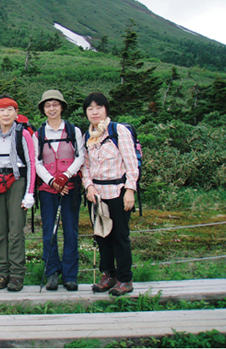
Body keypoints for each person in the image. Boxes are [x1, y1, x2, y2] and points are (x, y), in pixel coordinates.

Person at [82, 92, 138, 296]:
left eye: (98, 107)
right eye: (90, 108)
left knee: (119, 236)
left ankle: (125, 279)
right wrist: (88, 186)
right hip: (97, 194)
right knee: (101, 236)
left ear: (106, 109)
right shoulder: (87, 135)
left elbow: (131, 162)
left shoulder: (118, 131)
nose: (94, 112)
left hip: (118, 191)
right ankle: (108, 275)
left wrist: (130, 189)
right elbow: (85, 166)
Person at [0, 94, 36, 292]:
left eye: (10, 109)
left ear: (16, 113)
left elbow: (31, 163)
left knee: (15, 231)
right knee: (0, 232)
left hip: (17, 183)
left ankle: (16, 275)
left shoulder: (24, 134)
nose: (6, 113)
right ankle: (1, 273)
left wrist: (29, 193)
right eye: (2, 110)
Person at [33, 90, 85, 291]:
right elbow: (36, 162)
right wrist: (53, 180)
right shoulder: (38, 134)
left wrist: (66, 176)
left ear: (62, 106)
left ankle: (70, 275)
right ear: (43, 109)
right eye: (48, 105)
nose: (52, 108)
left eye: (55, 104)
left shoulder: (73, 131)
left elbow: (80, 157)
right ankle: (52, 272)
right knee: (49, 232)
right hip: (48, 189)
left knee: (71, 231)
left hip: (70, 187)